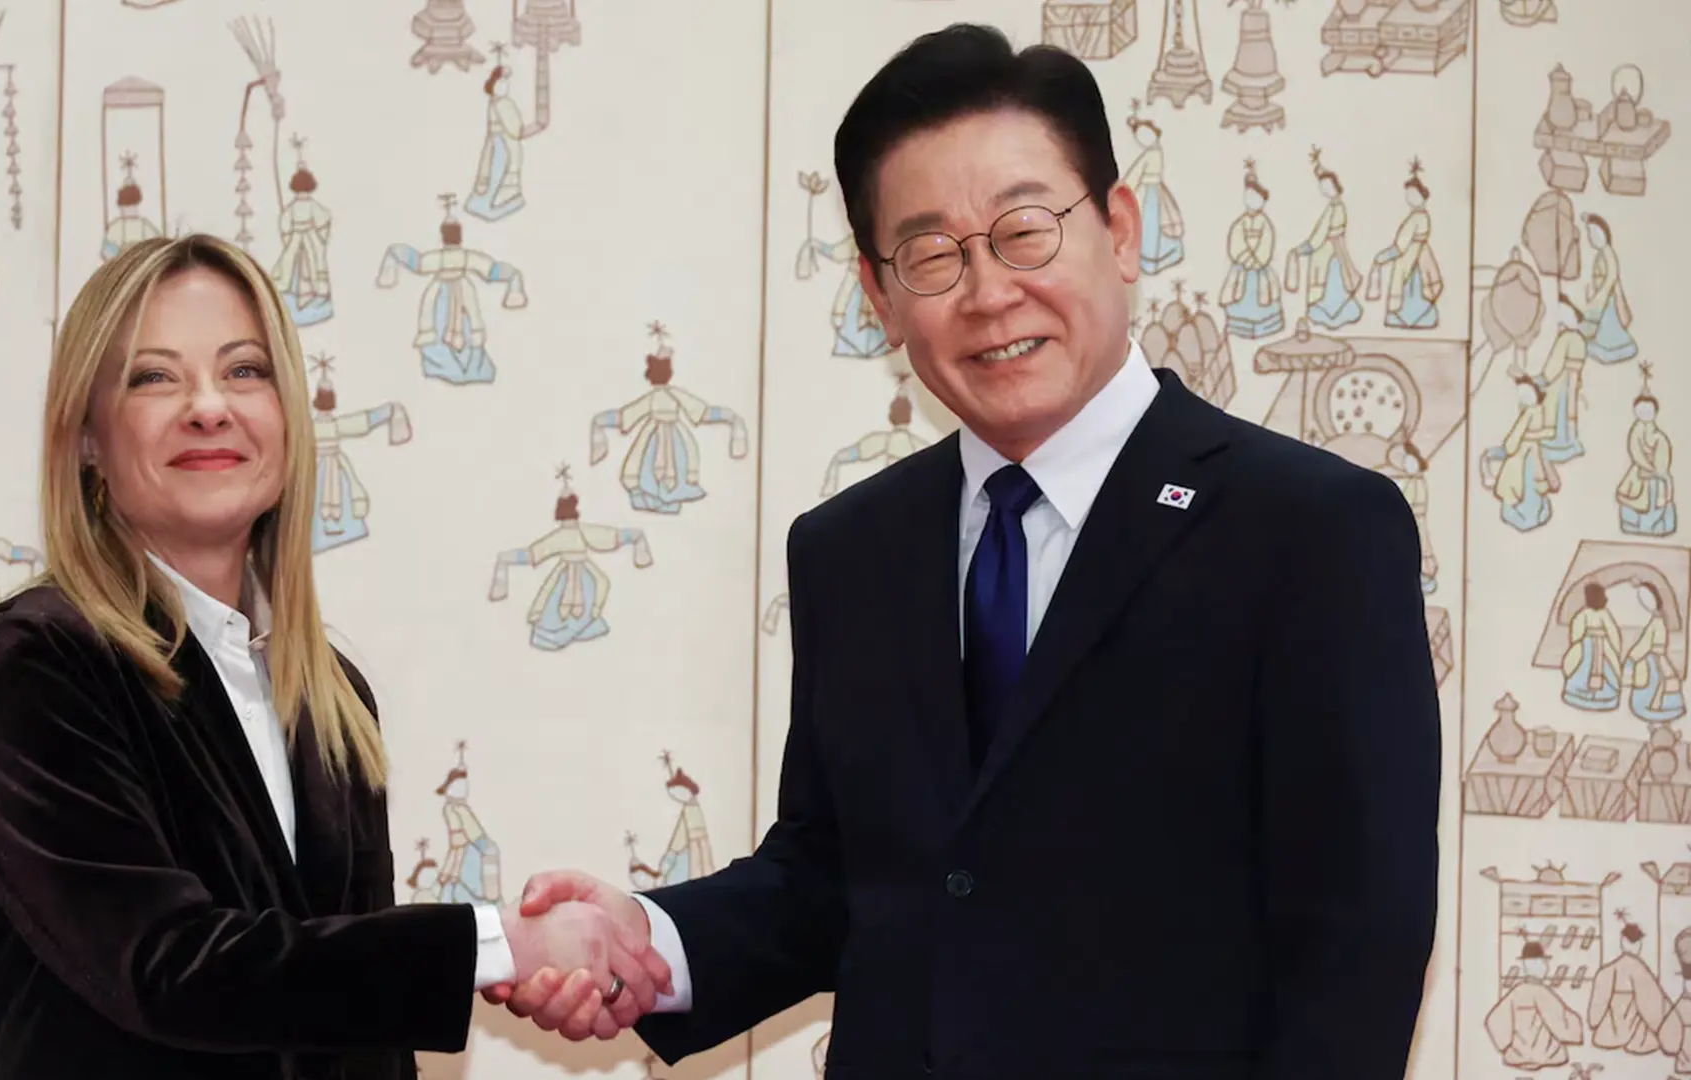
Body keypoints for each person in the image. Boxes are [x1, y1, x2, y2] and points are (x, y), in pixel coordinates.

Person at [491, 23, 1441, 1078]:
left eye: (1025, 230)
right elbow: (833, 880)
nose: (988, 293)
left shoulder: (1310, 530)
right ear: (879, 295)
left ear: (1121, 231)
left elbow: (1359, 945)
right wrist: (646, 943)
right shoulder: (851, 548)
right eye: (933, 255)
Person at [0, 234, 670, 1079]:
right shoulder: (36, 664)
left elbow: (357, 1036)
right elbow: (168, 968)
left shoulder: (330, 697)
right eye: (154, 377)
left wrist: (508, 954)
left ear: (288, 418)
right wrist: (499, 944)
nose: (208, 407)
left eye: (245, 370)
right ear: (87, 438)